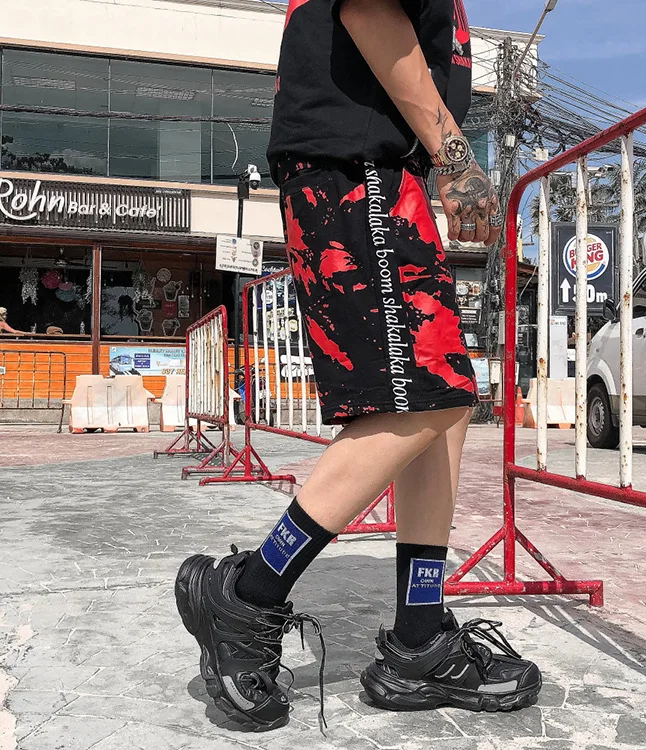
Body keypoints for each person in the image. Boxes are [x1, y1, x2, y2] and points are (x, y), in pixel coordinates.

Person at [175, 0, 542, 731]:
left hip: (382, 173)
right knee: (423, 397)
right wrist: (455, 157)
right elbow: (371, 8)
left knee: (444, 406)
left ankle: (419, 636)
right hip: (353, 167)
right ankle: (247, 594)